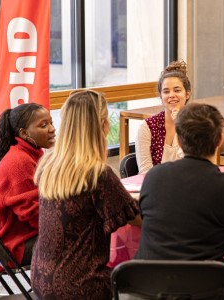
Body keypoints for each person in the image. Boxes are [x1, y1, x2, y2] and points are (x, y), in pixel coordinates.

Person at [135, 103, 224, 299]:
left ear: (179, 142)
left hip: (147, 288)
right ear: (220, 140)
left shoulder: (154, 177)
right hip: (206, 291)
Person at [32, 90, 142, 299]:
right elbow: (137, 219)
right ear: (102, 125)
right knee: (139, 285)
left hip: (41, 279)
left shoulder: (48, 166)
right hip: (82, 286)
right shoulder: (97, 174)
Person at [0, 103, 55, 266]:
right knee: (84, 238)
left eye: (51, 123)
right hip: (16, 245)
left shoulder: (31, 154)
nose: (52, 129)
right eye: (43, 125)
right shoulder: (20, 162)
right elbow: (34, 215)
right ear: (24, 133)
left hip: (26, 235)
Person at [136, 60, 191, 174]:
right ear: (161, 96)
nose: (171, 95)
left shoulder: (197, 124)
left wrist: (180, 125)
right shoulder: (147, 127)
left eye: (177, 90)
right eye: (166, 92)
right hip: (157, 187)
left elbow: (195, 166)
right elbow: (145, 172)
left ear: (187, 94)